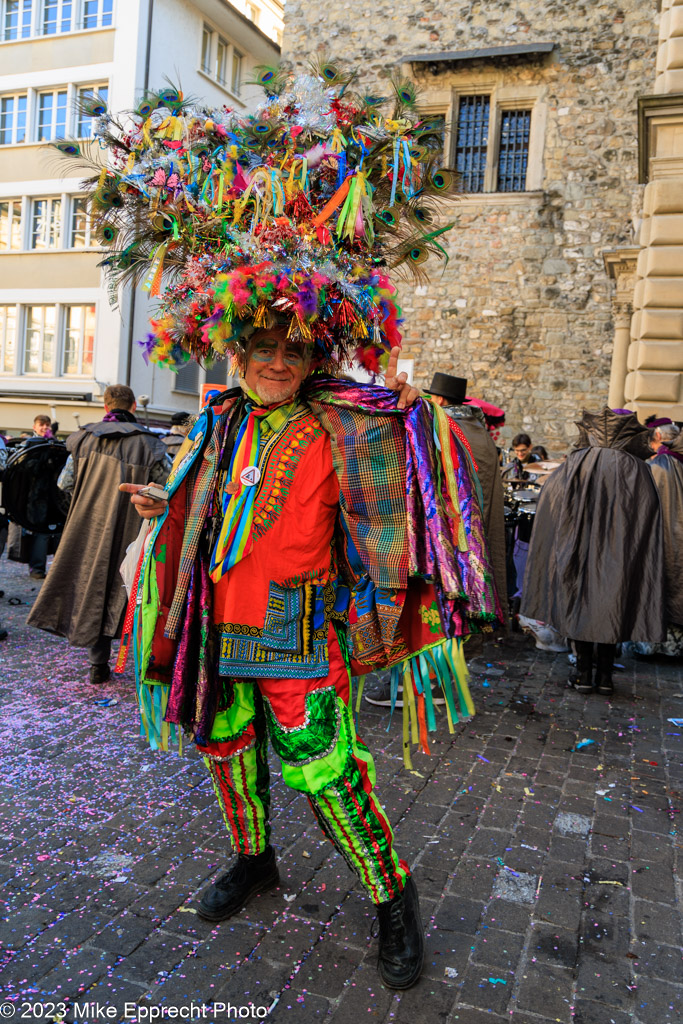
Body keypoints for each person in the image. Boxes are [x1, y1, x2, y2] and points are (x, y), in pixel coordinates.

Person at [59, 65, 506, 991]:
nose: (271, 362)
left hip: (299, 627)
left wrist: (417, 421)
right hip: (216, 617)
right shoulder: (221, 415)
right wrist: (167, 506)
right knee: (224, 747)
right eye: (257, 348)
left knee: (329, 771)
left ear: (313, 349)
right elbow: (204, 492)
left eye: (288, 348)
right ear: (237, 348)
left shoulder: (356, 422)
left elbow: (410, 503)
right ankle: (254, 859)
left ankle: (392, 897)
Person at [27, 384, 170, 684]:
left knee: (94, 589)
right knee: (136, 590)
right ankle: (148, 668)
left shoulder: (83, 439)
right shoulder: (148, 442)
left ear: (106, 407)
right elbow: (166, 485)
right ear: (132, 405)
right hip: (134, 527)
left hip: (89, 526)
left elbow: (65, 483)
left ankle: (97, 665)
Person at [521, 408, 665, 696]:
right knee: (611, 605)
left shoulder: (576, 462)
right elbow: (648, 513)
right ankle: (606, 677)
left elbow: (552, 500)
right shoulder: (636, 467)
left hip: (578, 549)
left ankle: (584, 673)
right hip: (621, 553)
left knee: (581, 605)